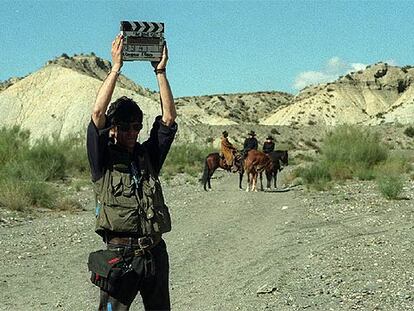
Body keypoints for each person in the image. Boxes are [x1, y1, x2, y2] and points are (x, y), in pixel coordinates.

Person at [86, 34, 177, 311]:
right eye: (124, 127)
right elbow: (98, 112)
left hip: (154, 253)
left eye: (136, 127)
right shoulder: (102, 159)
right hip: (120, 256)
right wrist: (116, 68)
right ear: (113, 128)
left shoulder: (147, 156)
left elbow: (169, 119)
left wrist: (160, 71)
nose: (131, 133)